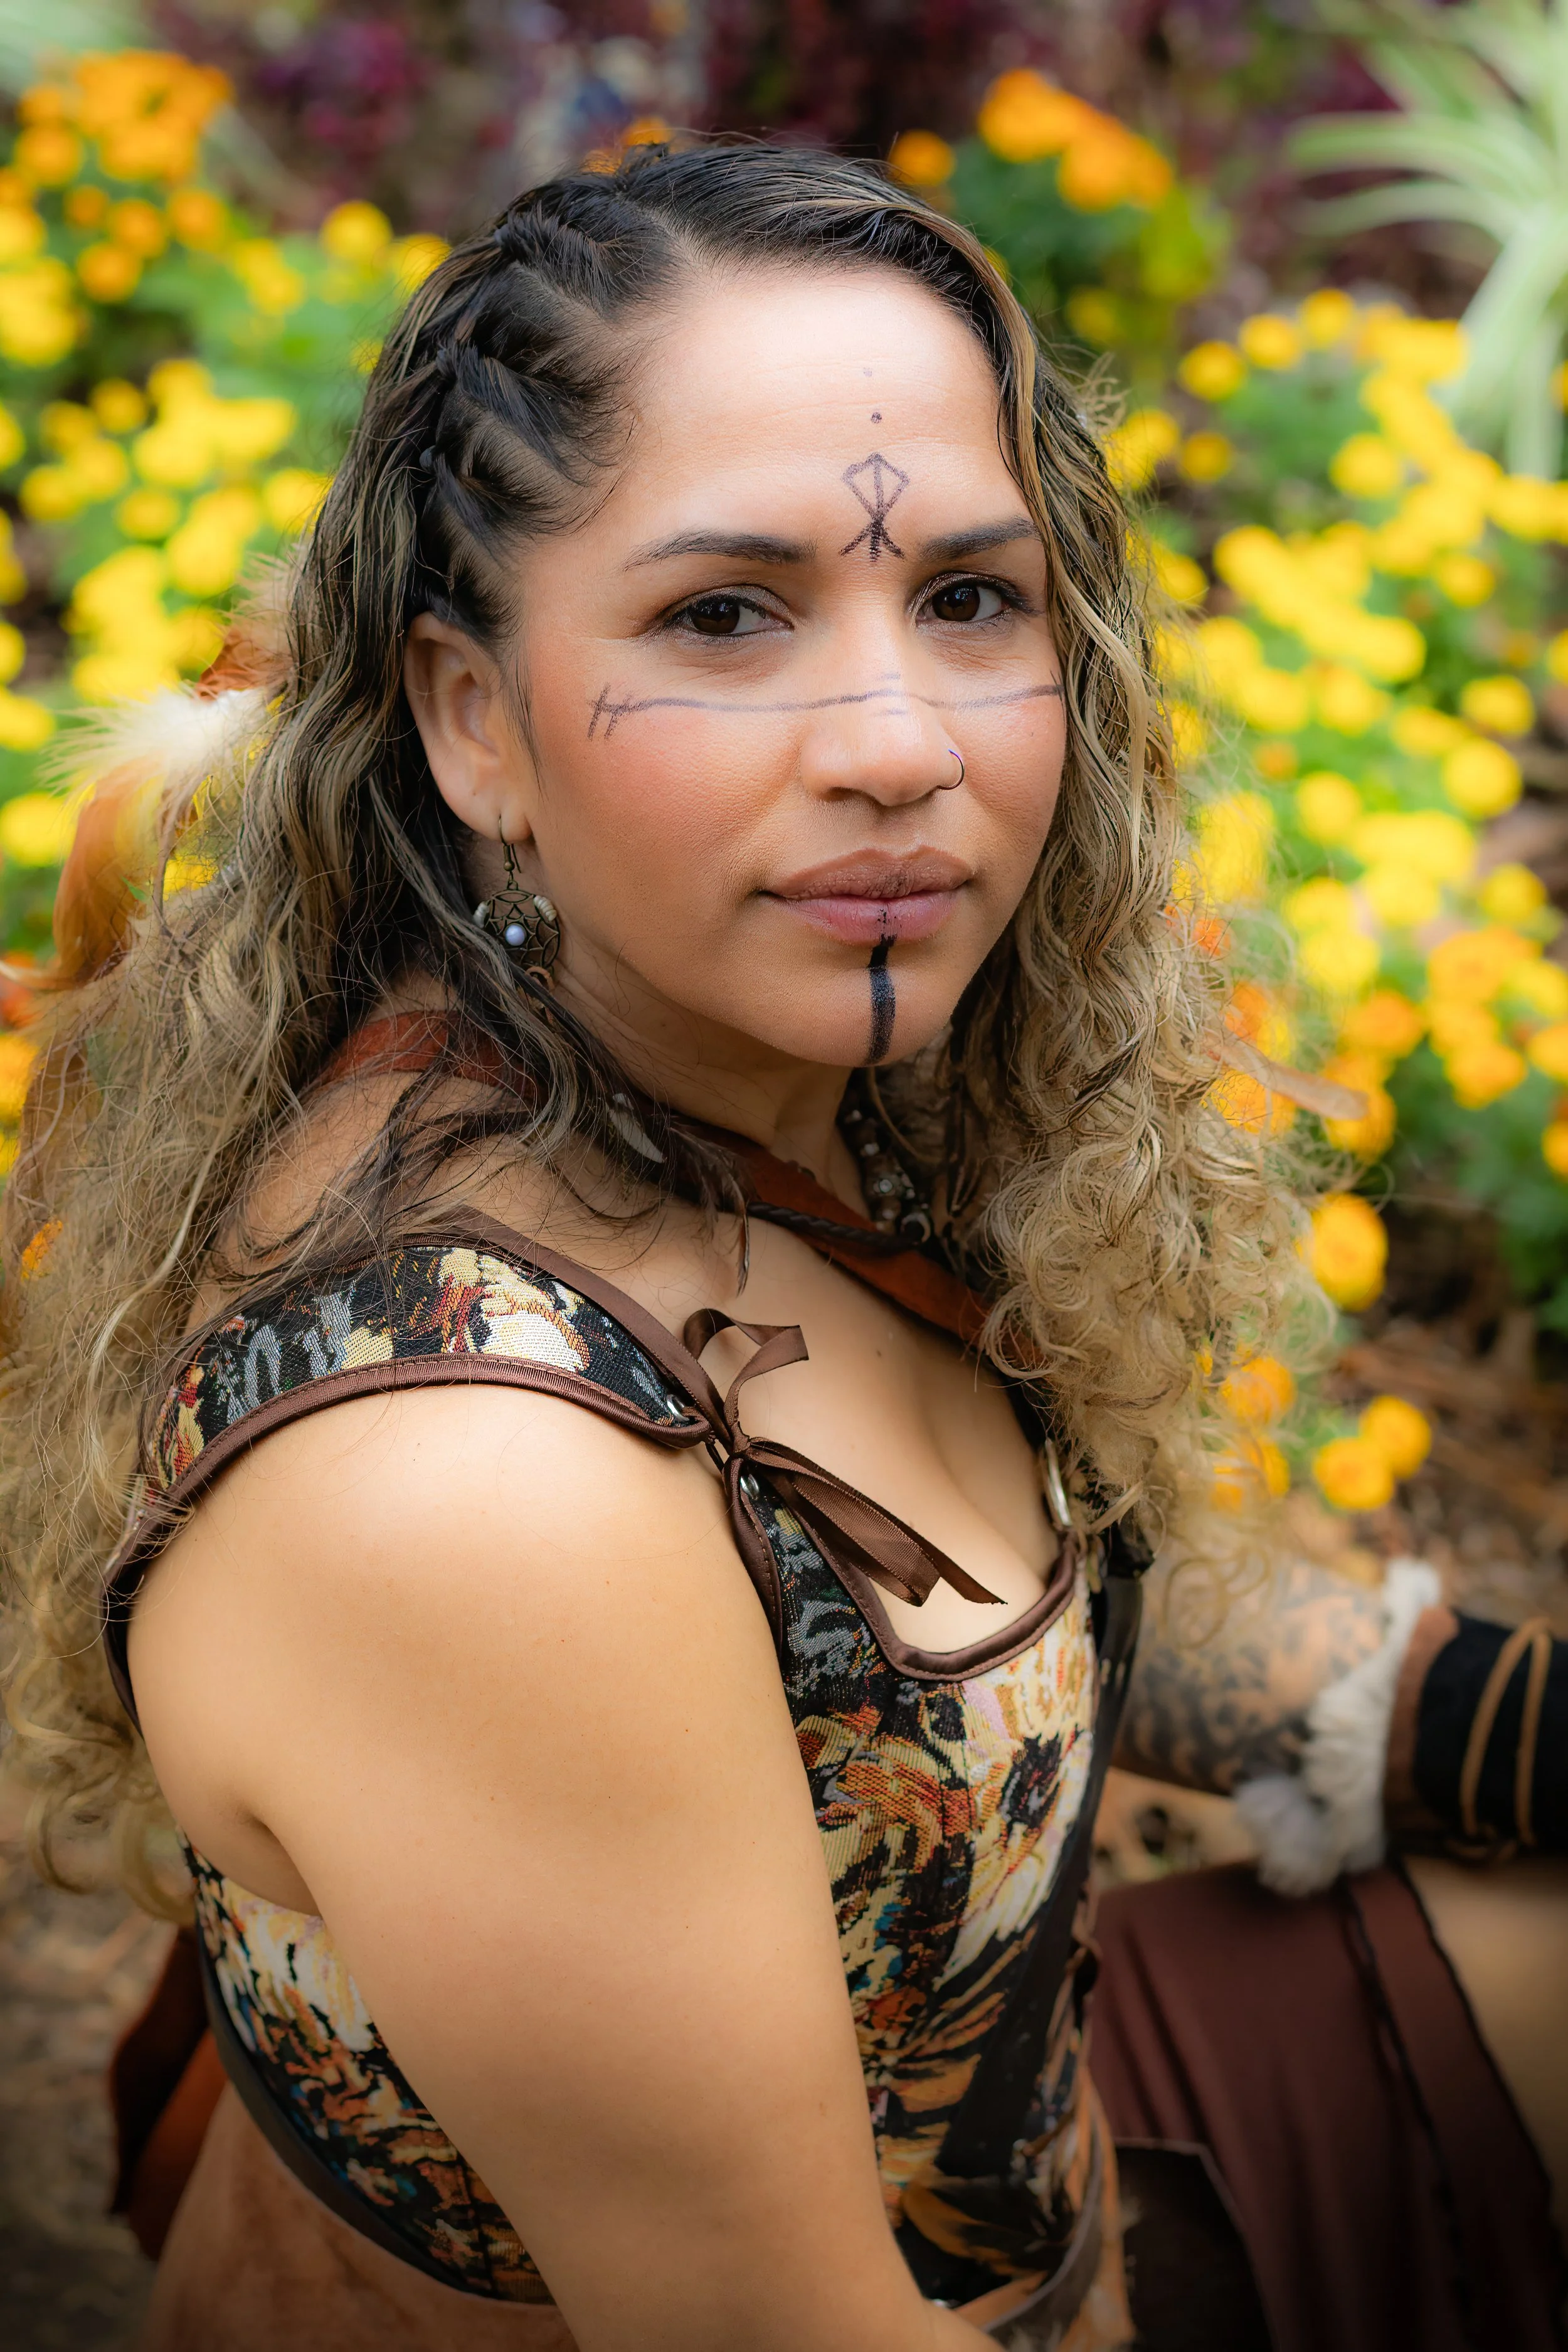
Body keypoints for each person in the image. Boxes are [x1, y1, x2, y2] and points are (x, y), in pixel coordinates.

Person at [1, 144, 1562, 2352]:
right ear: (473, 720)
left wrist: (1495, 1719)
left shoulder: (719, 1084)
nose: (899, 746)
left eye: (969, 599)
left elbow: (969, 1640)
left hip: (1050, 2153)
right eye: (724, 614)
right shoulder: (482, 1486)